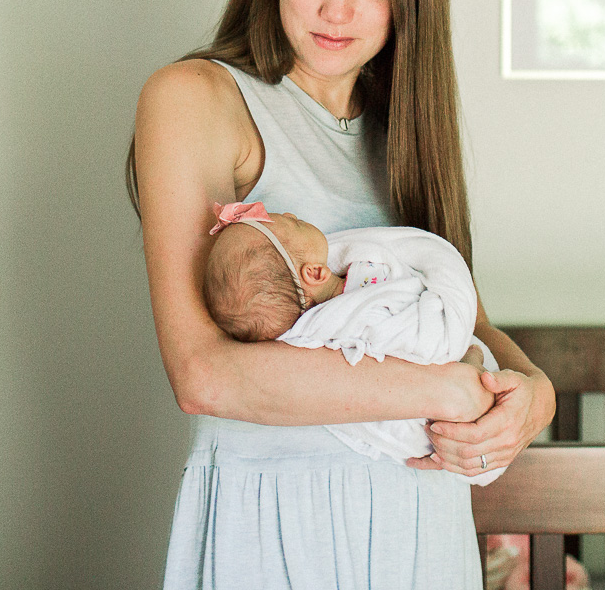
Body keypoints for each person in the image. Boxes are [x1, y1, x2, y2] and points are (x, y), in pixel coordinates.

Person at [129, 0, 556, 589]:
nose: (336, 10)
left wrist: (535, 396)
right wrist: (442, 390)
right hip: (277, 520)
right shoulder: (195, 100)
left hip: (419, 522)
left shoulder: (406, 127)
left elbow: (471, 322)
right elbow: (204, 375)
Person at [201, 202, 505, 485]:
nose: (292, 215)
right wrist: (461, 364)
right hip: (436, 406)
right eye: (294, 223)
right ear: (314, 272)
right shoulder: (350, 318)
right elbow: (429, 341)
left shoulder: (344, 289)